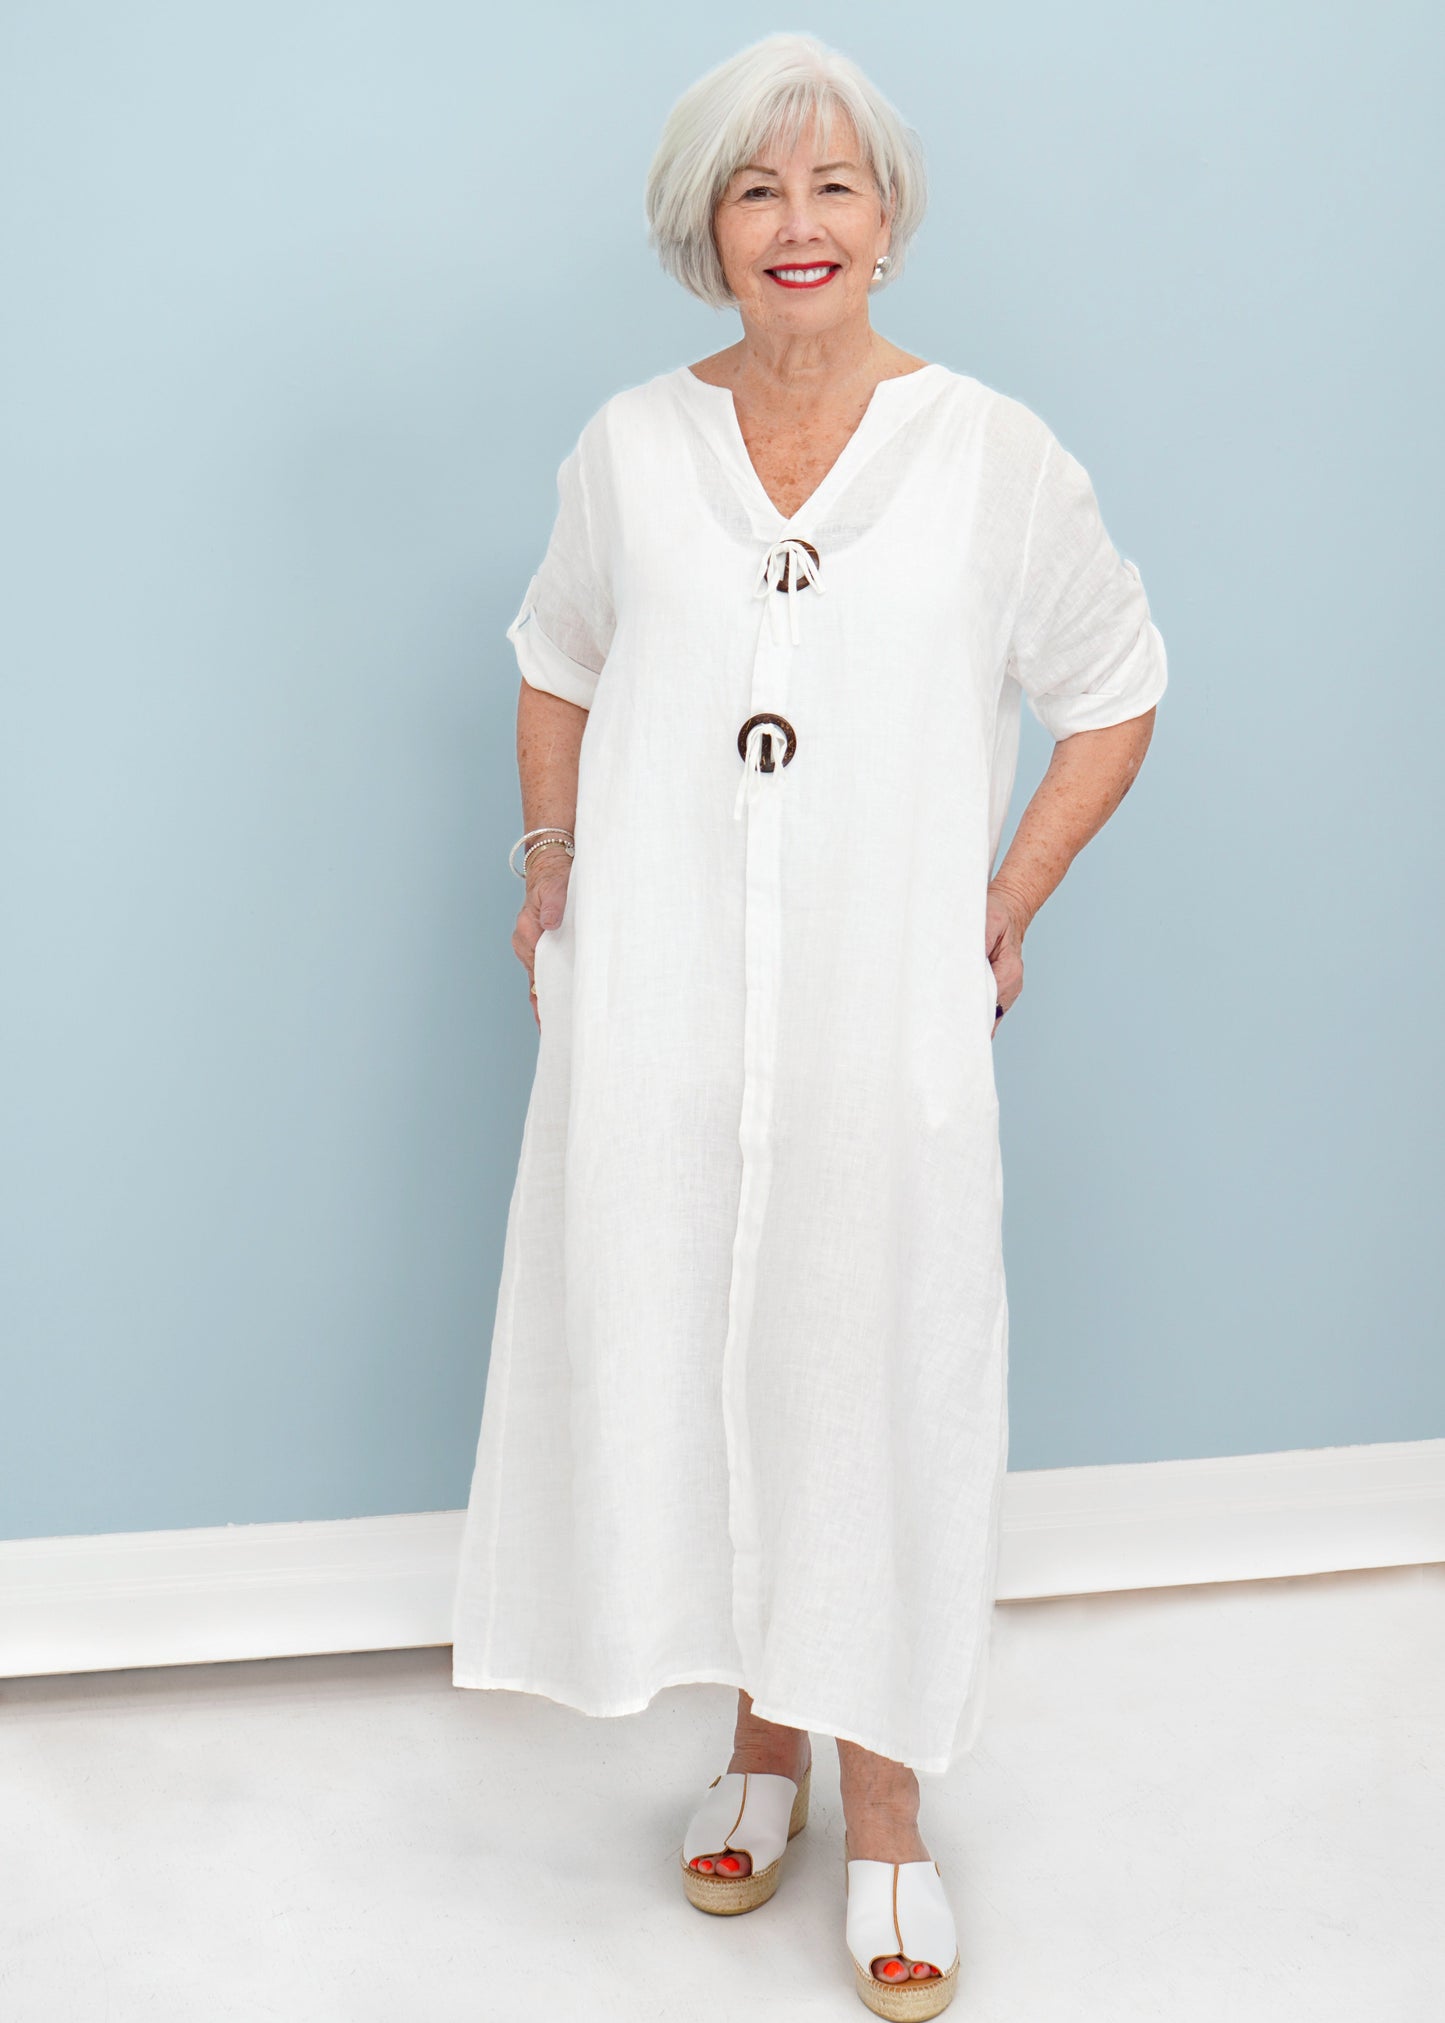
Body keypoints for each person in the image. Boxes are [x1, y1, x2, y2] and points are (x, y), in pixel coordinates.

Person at [451, 31, 1166, 2017]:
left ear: (889, 219)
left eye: (833, 184)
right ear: (704, 228)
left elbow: (1116, 684)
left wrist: (1001, 902)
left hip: (875, 1002)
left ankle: (892, 1802)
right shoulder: (628, 447)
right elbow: (555, 654)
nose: (798, 222)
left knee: (870, 1359)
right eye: (756, 189)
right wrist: (551, 863)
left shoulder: (993, 455)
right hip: (667, 992)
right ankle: (760, 1739)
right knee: (701, 1343)